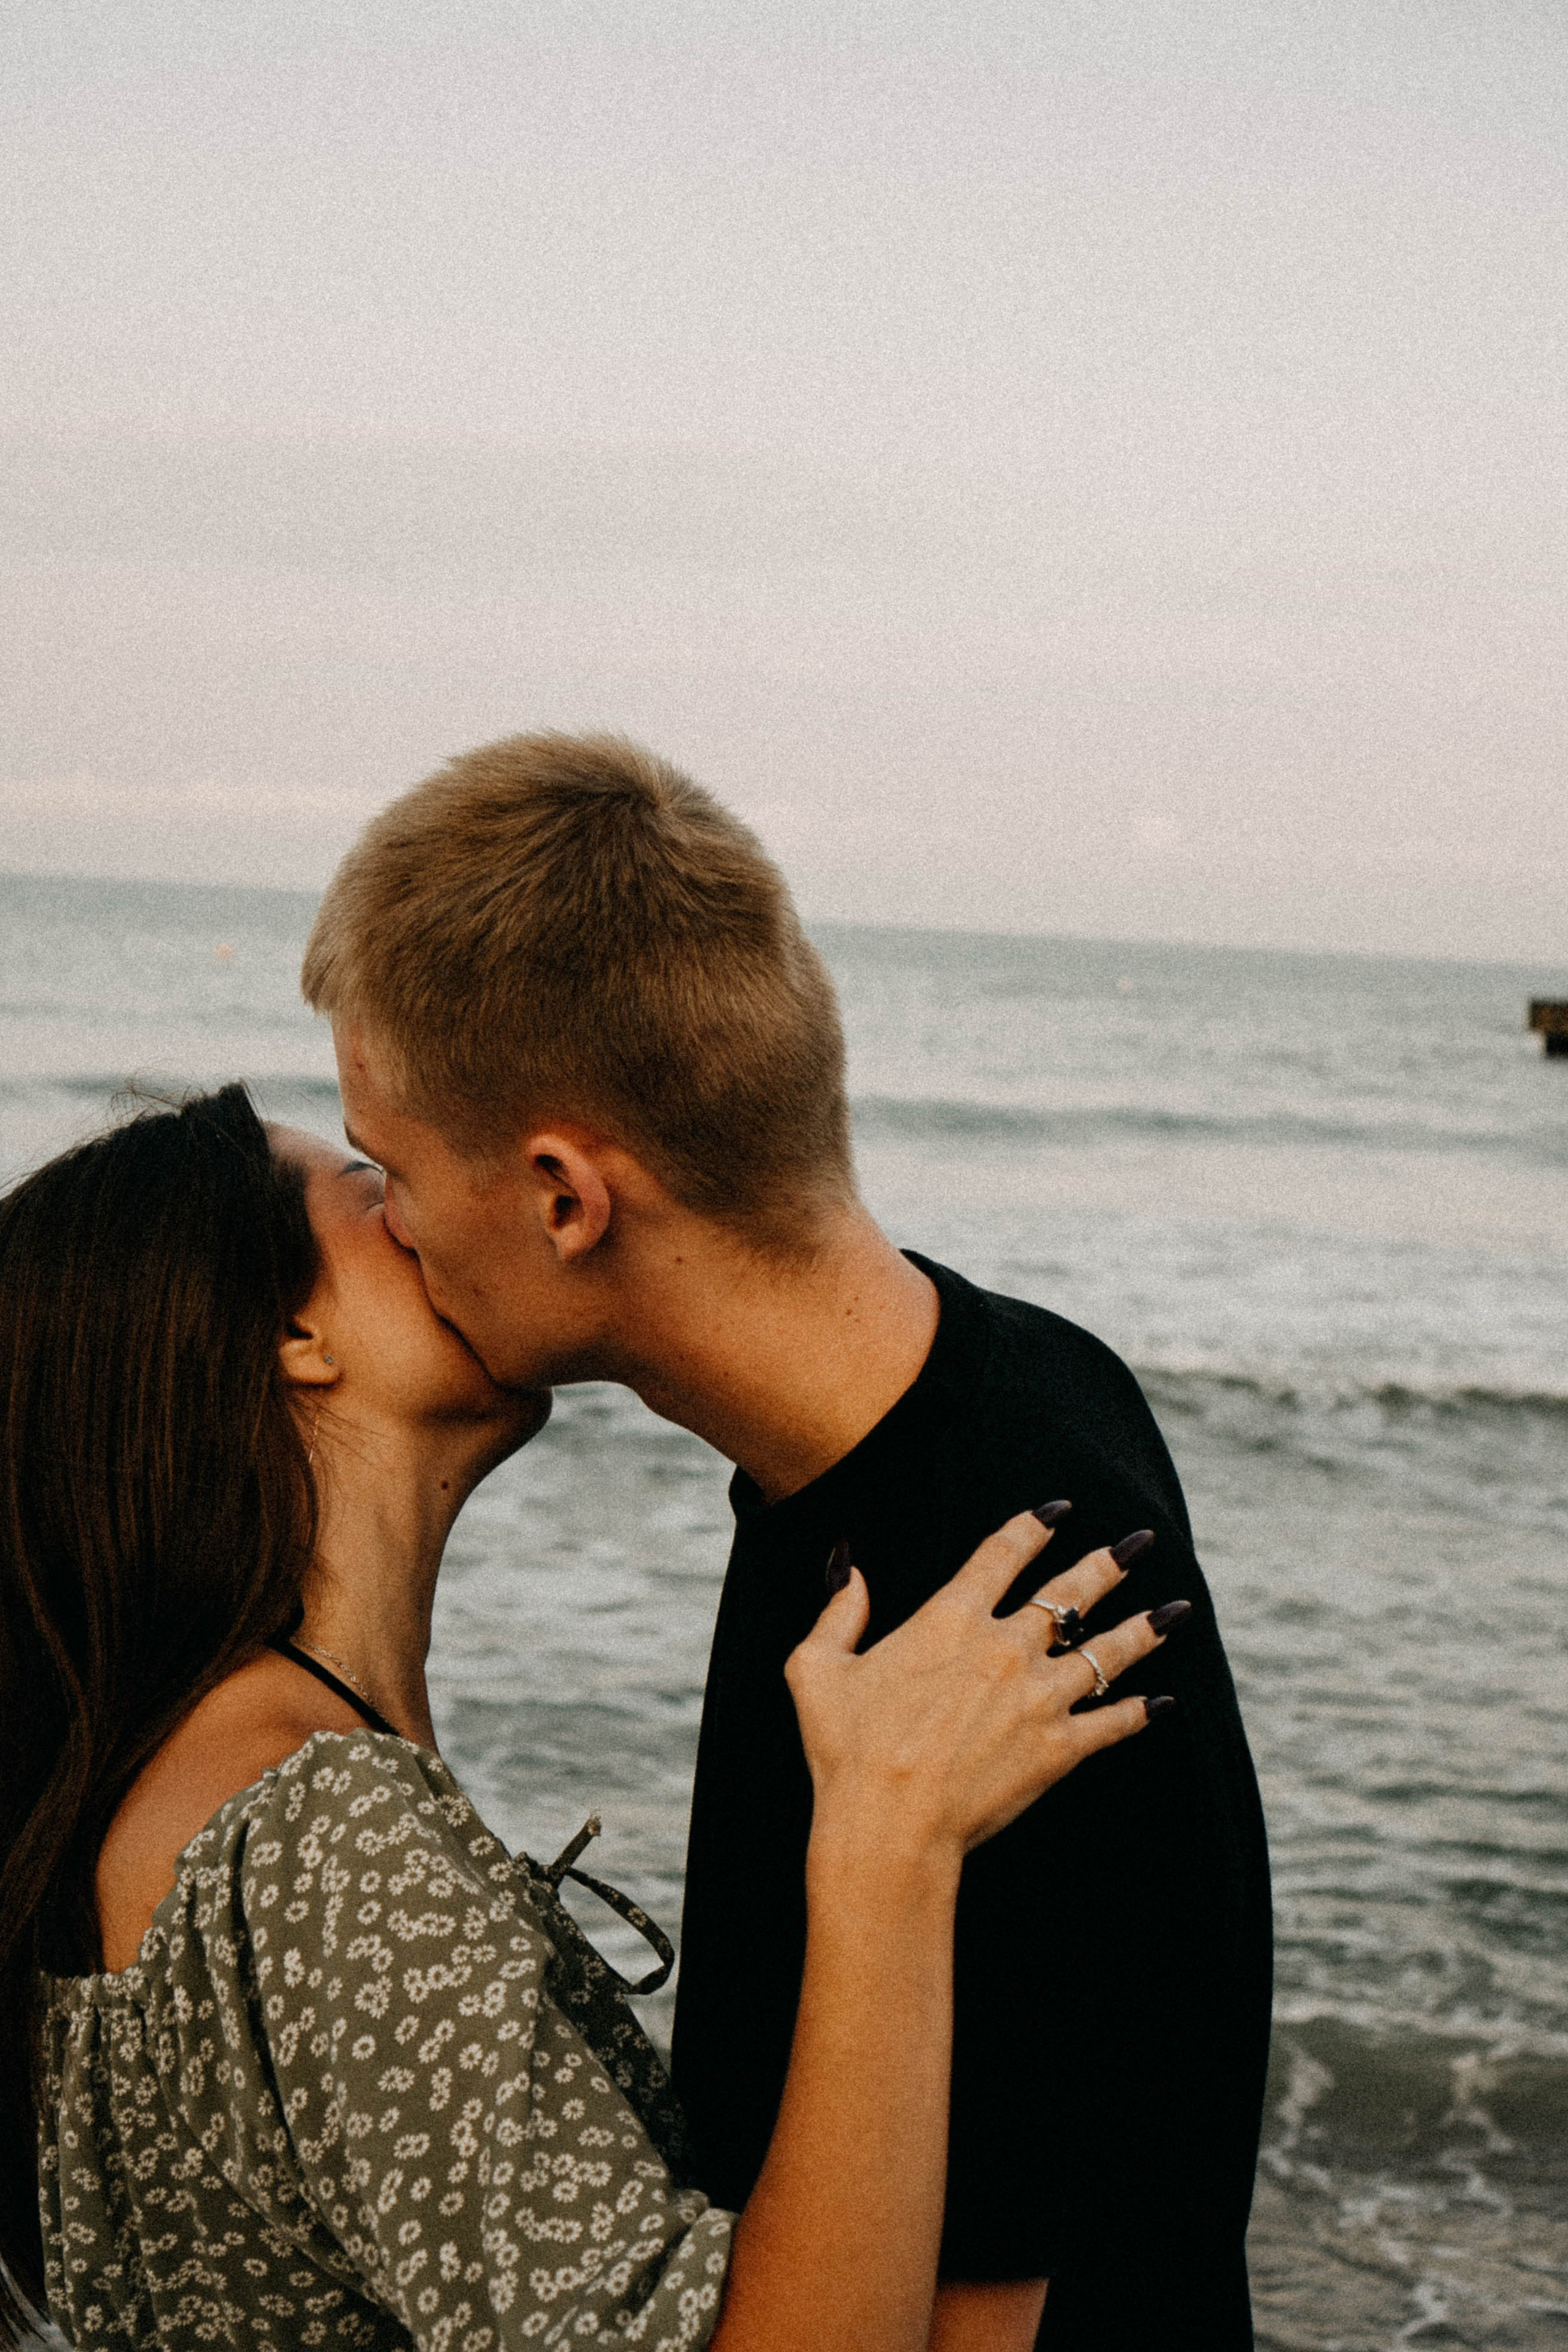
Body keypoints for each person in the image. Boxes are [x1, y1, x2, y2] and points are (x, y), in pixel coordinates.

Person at [300, 733, 1274, 2352]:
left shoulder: (988, 1577)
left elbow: (975, 2320)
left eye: (393, 1168)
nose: (389, 1225)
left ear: (563, 1196)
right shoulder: (983, 1382)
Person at [0, 1085, 1171, 2352]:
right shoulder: (318, 1834)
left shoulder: (193, 1789)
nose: (426, 1212)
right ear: (293, 1329)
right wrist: (888, 1841)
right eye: (368, 1187)